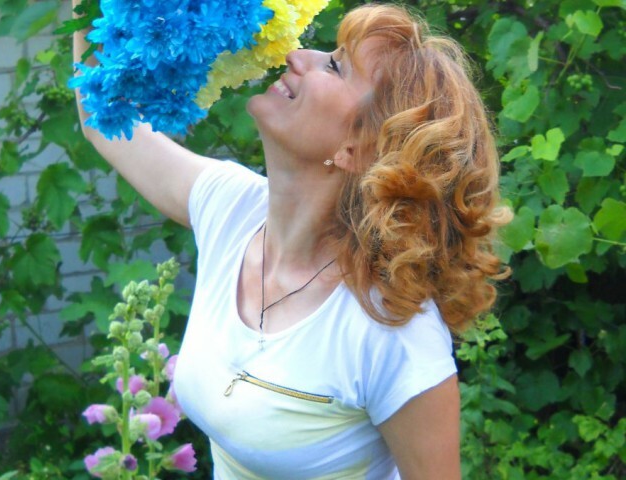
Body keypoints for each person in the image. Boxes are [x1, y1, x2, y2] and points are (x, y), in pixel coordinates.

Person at [74, 2, 509, 479]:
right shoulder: (231, 209)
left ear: (356, 148)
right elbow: (104, 118)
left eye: (335, 66)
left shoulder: (393, 330)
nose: (297, 55)